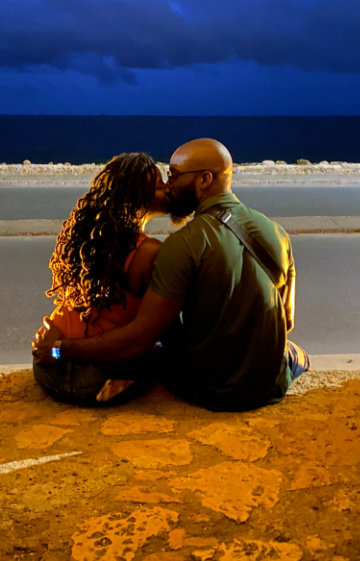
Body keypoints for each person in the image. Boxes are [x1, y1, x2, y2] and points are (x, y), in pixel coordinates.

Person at [34, 138, 311, 412]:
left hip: (205, 389)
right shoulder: (278, 233)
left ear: (204, 180)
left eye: (174, 176)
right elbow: (286, 320)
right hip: (267, 386)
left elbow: (147, 337)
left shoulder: (159, 244)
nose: (170, 186)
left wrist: (58, 349)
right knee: (296, 354)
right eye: (164, 180)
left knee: (153, 353)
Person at [32, 152, 169, 406]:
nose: (167, 189)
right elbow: (143, 339)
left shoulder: (90, 239)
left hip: (48, 370)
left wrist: (54, 349)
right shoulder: (149, 253)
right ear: (139, 196)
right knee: (159, 351)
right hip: (96, 376)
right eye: (160, 186)